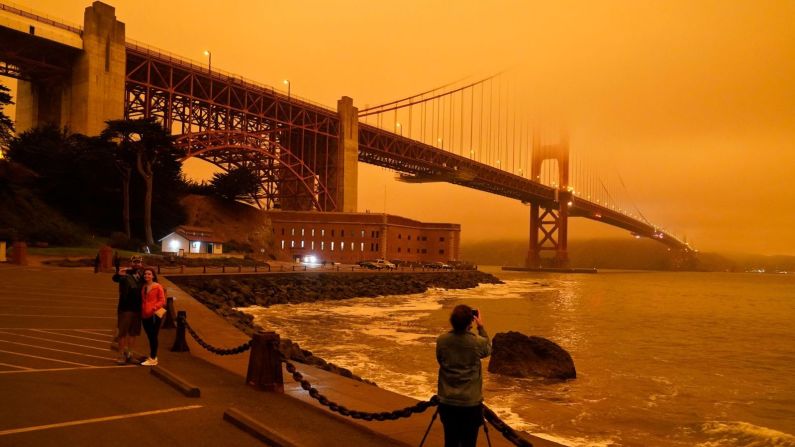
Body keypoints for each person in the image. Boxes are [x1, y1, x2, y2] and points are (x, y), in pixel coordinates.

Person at [435, 305, 492, 447]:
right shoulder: (476, 342)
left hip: (447, 401)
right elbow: (488, 348)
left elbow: (440, 360)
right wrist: (481, 326)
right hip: (470, 403)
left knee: (450, 440)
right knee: (469, 442)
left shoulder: (442, 340)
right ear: (470, 322)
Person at [111, 255, 143, 364]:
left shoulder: (141, 275)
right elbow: (115, 279)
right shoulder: (125, 273)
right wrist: (118, 274)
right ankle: (120, 355)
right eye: (134, 262)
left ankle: (130, 355)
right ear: (130, 263)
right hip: (125, 309)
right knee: (123, 333)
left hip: (137, 309)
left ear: (141, 264)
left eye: (138, 262)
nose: (136, 264)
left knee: (133, 333)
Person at [140, 267, 165, 366]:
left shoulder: (158, 286)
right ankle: (152, 356)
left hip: (155, 315)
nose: (147, 275)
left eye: (149, 274)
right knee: (150, 336)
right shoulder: (143, 286)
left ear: (153, 276)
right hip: (144, 315)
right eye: (145, 274)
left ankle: (153, 358)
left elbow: (162, 300)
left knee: (153, 336)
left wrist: (154, 308)